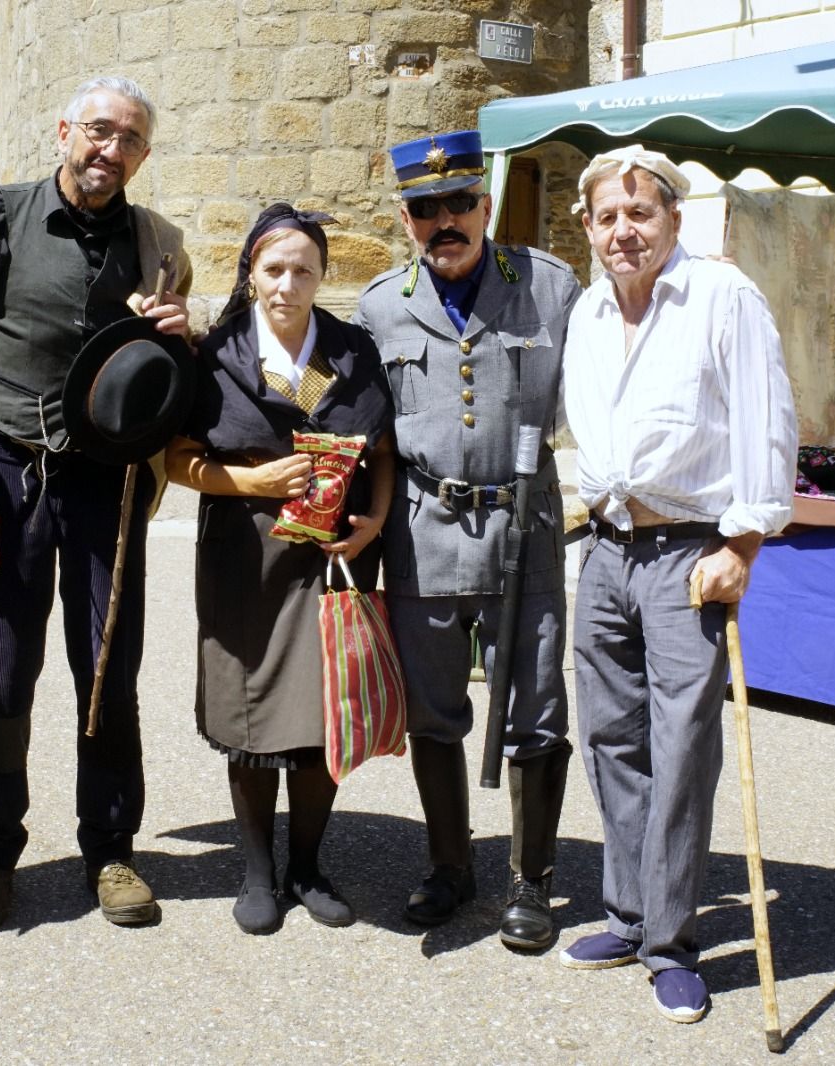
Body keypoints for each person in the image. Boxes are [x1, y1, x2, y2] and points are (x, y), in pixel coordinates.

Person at [0, 74, 191, 932]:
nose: (110, 150)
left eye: (130, 140)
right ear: (65, 130)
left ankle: (110, 850)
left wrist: (181, 330)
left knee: (108, 671)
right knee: (0, 674)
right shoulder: (1, 221)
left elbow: (176, 386)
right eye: (100, 131)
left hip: (107, 486)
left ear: (143, 156)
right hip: (5, 473)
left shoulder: (156, 244)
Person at [559, 146, 796, 1023]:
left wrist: (742, 543)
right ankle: (628, 912)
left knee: (682, 748)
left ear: (672, 219)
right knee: (611, 738)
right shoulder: (586, 311)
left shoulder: (723, 297)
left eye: (640, 214)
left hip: (689, 550)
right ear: (586, 228)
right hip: (607, 549)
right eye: (607, 217)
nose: (624, 231)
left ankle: (671, 941)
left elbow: (768, 422)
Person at [353, 129, 580, 949]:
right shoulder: (380, 305)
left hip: (529, 525)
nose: (443, 221)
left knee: (538, 709)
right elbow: (354, 422)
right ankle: (451, 865)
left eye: (459, 203)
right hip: (424, 530)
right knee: (434, 711)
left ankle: (533, 881)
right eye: (425, 209)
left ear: (486, 204)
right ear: (406, 219)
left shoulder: (550, 288)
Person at [164, 204, 394, 934]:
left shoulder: (352, 350)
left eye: (303, 269)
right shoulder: (217, 354)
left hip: (331, 559)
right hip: (244, 556)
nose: (288, 284)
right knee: (251, 710)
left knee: (322, 716)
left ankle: (308, 865)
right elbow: (178, 459)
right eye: (274, 269)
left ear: (323, 275)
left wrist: (377, 521)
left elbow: (383, 451)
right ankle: (257, 870)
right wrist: (253, 484)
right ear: (251, 274)